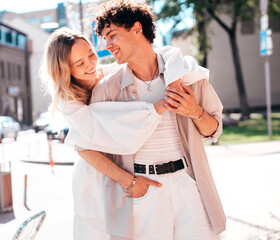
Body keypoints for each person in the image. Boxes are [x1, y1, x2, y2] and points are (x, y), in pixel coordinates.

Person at [71, 0, 226, 239]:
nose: (107, 45)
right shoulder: (107, 90)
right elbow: (86, 146)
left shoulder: (186, 75)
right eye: (104, 38)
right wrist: (131, 183)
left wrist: (195, 111)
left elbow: (214, 130)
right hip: (143, 192)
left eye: (112, 35)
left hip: (187, 184)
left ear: (136, 29)